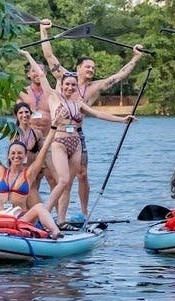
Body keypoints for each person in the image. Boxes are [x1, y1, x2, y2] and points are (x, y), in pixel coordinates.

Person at [40, 19, 146, 219]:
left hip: (77, 136)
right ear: (78, 67)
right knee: (60, 180)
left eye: (93, 68)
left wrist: (135, 57)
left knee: (81, 175)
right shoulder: (63, 78)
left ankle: (83, 213)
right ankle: (54, 216)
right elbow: (48, 55)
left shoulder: (94, 87)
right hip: (57, 133)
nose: (91, 70)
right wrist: (43, 31)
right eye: (88, 67)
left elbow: (119, 76)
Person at [43, 71, 139, 223]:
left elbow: (99, 114)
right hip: (59, 142)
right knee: (62, 180)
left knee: (68, 184)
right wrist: (27, 55)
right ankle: (45, 213)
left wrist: (122, 120)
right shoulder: (54, 98)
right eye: (67, 84)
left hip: (76, 142)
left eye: (73, 85)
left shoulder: (79, 104)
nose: (70, 87)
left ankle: (61, 221)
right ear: (61, 86)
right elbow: (43, 76)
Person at [0, 107, 64, 237]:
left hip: (19, 219)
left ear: (24, 155)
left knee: (39, 207)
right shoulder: (1, 172)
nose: (17, 156)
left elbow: (43, 150)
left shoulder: (28, 174)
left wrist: (54, 127)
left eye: (20, 153)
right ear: (9, 155)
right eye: (13, 153)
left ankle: (55, 232)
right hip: (1, 218)